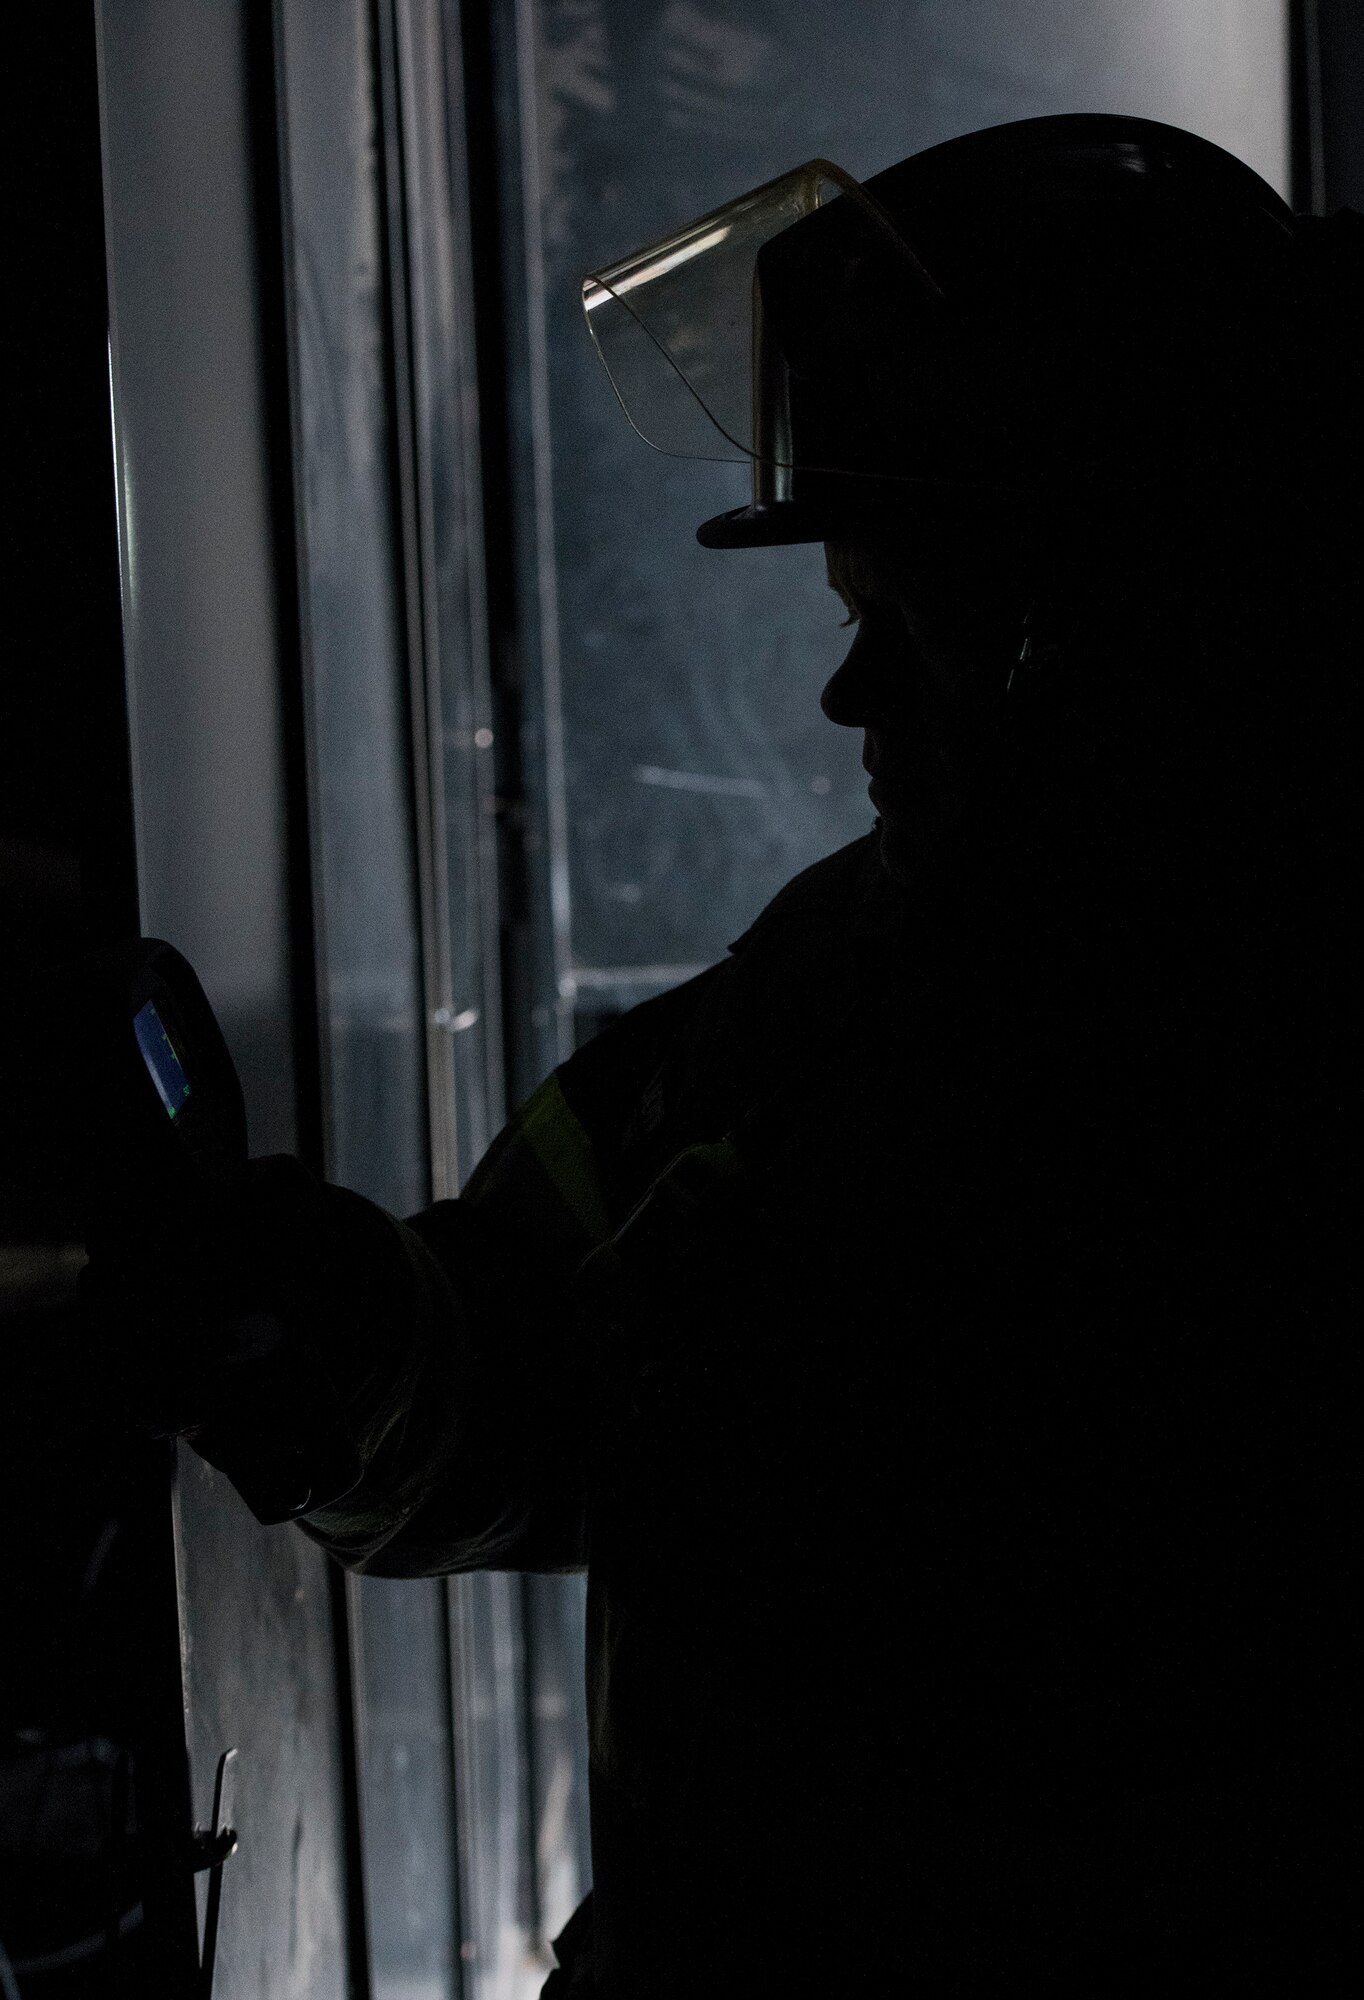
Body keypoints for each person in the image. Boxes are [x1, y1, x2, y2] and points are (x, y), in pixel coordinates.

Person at [88, 115, 1359, 1991]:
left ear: (1093, 619)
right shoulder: (842, 994)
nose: (849, 690)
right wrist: (273, 1314)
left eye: (905, 612)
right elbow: (523, 1351)